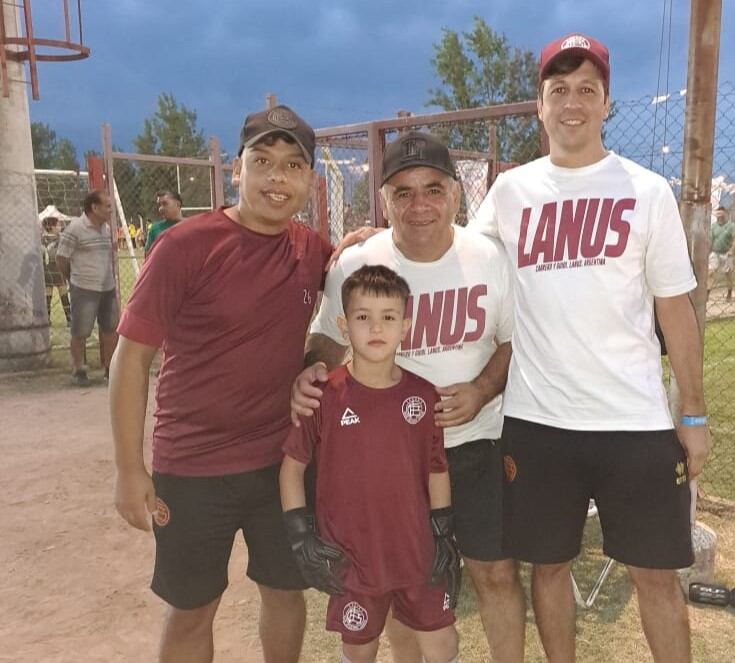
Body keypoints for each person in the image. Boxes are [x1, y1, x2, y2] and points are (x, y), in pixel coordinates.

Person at [470, 33, 711, 663]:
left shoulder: (646, 190)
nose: (572, 103)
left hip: (634, 421)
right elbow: (456, 258)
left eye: (586, 90)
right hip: (539, 420)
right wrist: (371, 239)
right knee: (548, 569)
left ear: (607, 103)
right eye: (558, 91)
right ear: (539, 107)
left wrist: (693, 413)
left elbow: (675, 309)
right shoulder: (510, 192)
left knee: (655, 575)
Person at [109, 104, 342, 663]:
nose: (276, 178)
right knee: (193, 609)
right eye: (262, 161)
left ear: (310, 181)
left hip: (280, 463)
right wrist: (128, 469)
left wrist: (360, 241)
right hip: (191, 467)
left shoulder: (312, 250)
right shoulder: (186, 246)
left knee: (286, 595)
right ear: (237, 170)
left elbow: (343, 311)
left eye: (292, 165)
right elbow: (131, 358)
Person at [293, 131, 526, 662]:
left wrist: (483, 390)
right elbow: (327, 336)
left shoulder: (488, 257)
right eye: (402, 193)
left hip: (473, 443)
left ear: (456, 195)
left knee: (495, 570)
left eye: (433, 189)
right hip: (389, 460)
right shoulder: (359, 263)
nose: (419, 205)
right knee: (400, 580)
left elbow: (513, 343)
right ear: (382, 200)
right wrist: (314, 370)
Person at [281, 264, 461, 663]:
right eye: (363, 318)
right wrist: (299, 533)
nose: (376, 329)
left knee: (442, 642)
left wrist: (443, 530)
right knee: (359, 648)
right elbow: (292, 467)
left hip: (416, 549)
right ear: (344, 326)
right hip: (351, 556)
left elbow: (436, 468)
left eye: (388, 318)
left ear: (406, 326)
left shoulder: (423, 396)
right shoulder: (323, 395)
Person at [55, 190, 119, 386]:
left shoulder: (106, 229)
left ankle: (110, 368)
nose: (110, 210)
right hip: (84, 287)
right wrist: (72, 280)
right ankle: (78, 369)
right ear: (94, 207)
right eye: (107, 206)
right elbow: (61, 258)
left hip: (107, 287)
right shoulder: (75, 229)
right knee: (80, 331)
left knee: (110, 329)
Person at [41, 216, 72, 326]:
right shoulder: (42, 240)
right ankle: (46, 320)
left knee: (63, 294)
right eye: (58, 225)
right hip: (48, 271)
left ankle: (69, 319)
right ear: (51, 227)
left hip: (59, 270)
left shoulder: (61, 238)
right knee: (47, 296)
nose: (60, 227)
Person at [707, 205, 735, 301]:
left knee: (727, 274)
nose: (719, 217)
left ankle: (729, 293)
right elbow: (710, 240)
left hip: (726, 253)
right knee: (710, 272)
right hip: (715, 252)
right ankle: (707, 294)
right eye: (718, 215)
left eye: (721, 215)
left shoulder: (731, 226)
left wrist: (732, 250)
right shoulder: (714, 226)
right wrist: (707, 251)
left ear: (726, 215)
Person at [144, 190, 184, 258]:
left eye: (165, 204)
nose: (161, 208)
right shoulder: (155, 229)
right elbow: (148, 257)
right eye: (159, 205)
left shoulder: (191, 225)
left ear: (177, 204)